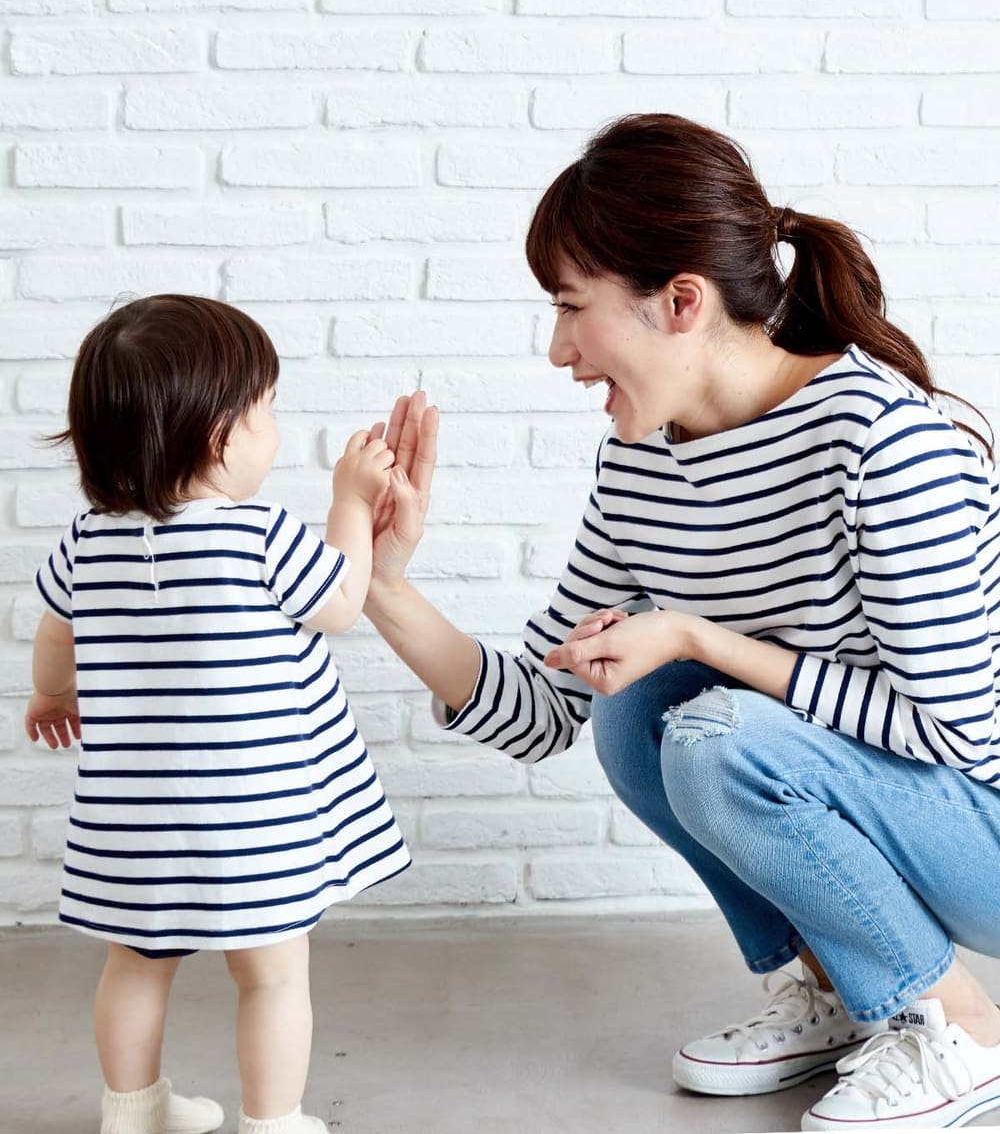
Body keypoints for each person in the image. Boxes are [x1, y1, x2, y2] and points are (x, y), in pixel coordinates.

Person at [361, 114, 1000, 1131]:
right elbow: (545, 709)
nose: (560, 351)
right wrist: (382, 584)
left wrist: (700, 637)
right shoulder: (639, 465)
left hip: (980, 823)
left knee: (711, 731)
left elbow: (954, 732)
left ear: (681, 301)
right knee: (635, 710)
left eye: (572, 307)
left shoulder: (882, 444)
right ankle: (840, 988)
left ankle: (958, 1025)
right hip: (898, 805)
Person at [25, 295, 411, 1134]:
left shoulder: (87, 541)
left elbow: (54, 633)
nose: (273, 431)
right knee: (272, 974)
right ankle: (272, 1120)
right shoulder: (258, 535)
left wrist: (52, 694)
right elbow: (343, 601)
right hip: (249, 817)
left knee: (136, 963)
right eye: (265, 412)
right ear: (218, 436)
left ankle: (132, 1111)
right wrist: (350, 501)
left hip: (132, 818)